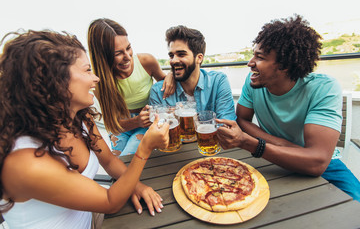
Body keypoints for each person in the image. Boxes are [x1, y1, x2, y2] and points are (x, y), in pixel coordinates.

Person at [0, 30, 169, 229]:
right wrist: (145, 148)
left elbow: (109, 160)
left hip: (90, 218)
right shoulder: (24, 163)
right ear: (55, 81)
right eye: (87, 70)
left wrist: (137, 185)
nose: (96, 78)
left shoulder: (80, 118)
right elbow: (109, 201)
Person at [216, 15, 360, 201]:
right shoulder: (252, 82)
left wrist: (250, 143)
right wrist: (279, 143)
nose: (250, 63)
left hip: (323, 164)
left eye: (259, 57)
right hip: (269, 157)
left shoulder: (324, 88)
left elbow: (317, 162)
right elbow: (242, 120)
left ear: (285, 65)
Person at [87, 18, 175, 156]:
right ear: (102, 56)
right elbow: (112, 125)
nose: (127, 57)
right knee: (117, 161)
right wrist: (136, 121)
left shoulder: (146, 61)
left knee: (127, 158)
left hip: (147, 120)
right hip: (122, 125)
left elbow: (166, 85)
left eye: (128, 48)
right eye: (118, 53)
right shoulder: (99, 82)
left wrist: (170, 76)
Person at [149, 25, 236, 121]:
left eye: (181, 54)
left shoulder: (218, 82)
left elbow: (227, 124)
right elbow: (157, 130)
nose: (173, 60)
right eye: (171, 55)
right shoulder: (158, 91)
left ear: (199, 58)